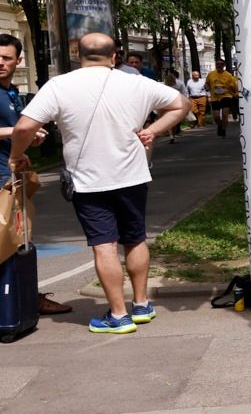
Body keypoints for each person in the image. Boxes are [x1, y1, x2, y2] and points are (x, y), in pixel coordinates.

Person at [9, 33, 189, 334]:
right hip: (133, 176)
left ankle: (118, 315)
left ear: (77, 55)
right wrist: (154, 130)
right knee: (135, 238)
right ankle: (141, 305)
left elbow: (24, 127)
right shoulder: (137, 83)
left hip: (88, 180)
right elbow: (181, 104)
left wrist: (17, 155)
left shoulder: (59, 85)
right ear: (114, 56)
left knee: (104, 245)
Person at [0, 32, 72, 316]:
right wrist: (18, 131)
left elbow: (15, 135)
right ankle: (18, 300)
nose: (0, 63)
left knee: (19, 238)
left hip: (12, 174)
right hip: (0, 177)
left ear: (18, 60)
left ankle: (24, 297)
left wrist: (28, 140)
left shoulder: (12, 93)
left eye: (6, 58)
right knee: (8, 239)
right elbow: (13, 130)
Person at [206, 60, 239, 136]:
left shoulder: (228, 75)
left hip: (226, 96)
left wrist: (236, 93)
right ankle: (220, 125)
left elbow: (234, 86)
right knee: (216, 117)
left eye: (221, 64)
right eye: (218, 64)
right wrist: (207, 87)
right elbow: (207, 83)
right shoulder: (211, 74)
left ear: (224, 65)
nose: (219, 65)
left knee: (224, 114)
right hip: (215, 97)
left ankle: (223, 130)